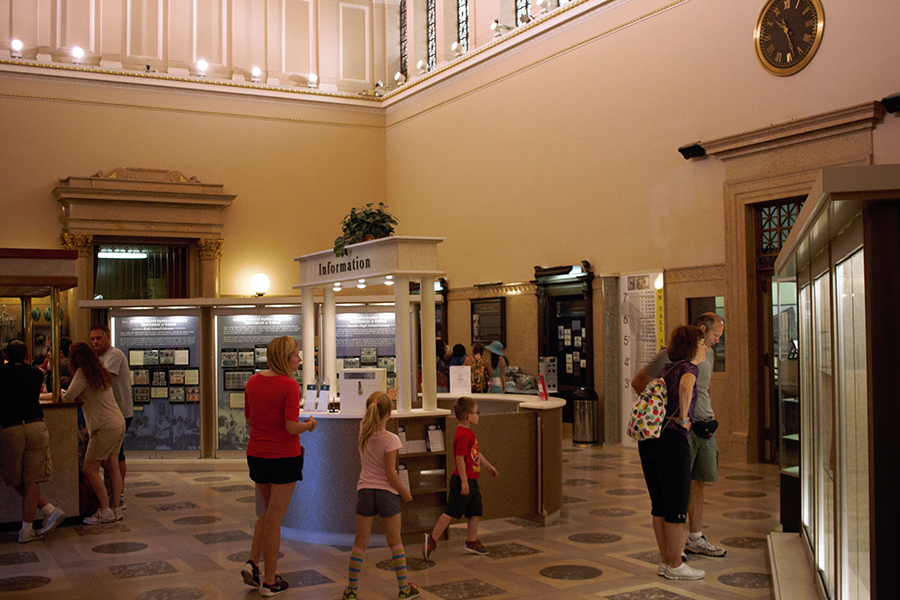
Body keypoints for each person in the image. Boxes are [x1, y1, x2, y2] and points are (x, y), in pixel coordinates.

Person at [631, 312, 726, 558]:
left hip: (704, 425)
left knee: (697, 482)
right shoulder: (672, 357)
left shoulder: (706, 355)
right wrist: (671, 412)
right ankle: (674, 550)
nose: (716, 341)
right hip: (680, 430)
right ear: (702, 329)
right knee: (675, 490)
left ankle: (694, 537)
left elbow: (702, 387)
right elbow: (643, 383)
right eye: (715, 335)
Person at [241, 336, 317, 597]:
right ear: (285, 358)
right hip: (283, 457)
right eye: (296, 354)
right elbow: (290, 426)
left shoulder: (253, 381)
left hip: (257, 455)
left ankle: (253, 562)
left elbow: (250, 419)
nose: (299, 359)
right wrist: (309, 425)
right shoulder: (289, 385)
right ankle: (271, 581)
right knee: (275, 518)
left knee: (267, 512)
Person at [637, 325, 707, 580]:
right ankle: (676, 565)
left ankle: (666, 560)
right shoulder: (689, 368)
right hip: (672, 440)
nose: (706, 347)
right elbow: (686, 388)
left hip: (651, 439)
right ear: (692, 347)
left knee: (659, 503)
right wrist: (684, 417)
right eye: (702, 343)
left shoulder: (667, 368)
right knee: (676, 503)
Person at [341, 392, 419, 600]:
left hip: (365, 491)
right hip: (387, 494)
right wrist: (404, 492)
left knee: (360, 543)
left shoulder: (362, 432)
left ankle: (351, 590)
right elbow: (390, 473)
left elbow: (371, 413)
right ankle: (404, 589)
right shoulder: (391, 439)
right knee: (395, 542)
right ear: (390, 413)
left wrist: (383, 399)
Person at [0, 340, 67, 543]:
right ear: (27, 356)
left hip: (11, 428)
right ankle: (31, 525)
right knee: (32, 479)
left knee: (14, 478)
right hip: (36, 426)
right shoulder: (36, 374)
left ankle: (46, 513)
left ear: (7, 356)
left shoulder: (1, 373)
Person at [423, 396, 499, 560]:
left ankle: (471, 541)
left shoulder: (469, 433)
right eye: (476, 412)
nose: (478, 415)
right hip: (463, 481)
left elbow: (475, 453)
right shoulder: (463, 435)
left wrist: (488, 467)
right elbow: (460, 459)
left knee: (475, 510)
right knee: (451, 511)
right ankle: (432, 539)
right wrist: (464, 482)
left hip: (472, 480)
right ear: (467, 416)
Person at [63, 342, 127, 525]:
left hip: (104, 426)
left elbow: (67, 397)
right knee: (112, 466)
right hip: (117, 422)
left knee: (89, 469)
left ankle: (104, 510)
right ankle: (115, 508)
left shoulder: (82, 373)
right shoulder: (99, 371)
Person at [90, 324, 132, 510]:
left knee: (115, 457)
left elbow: (104, 378)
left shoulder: (114, 355)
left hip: (119, 413)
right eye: (92, 339)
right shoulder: (100, 357)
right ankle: (115, 495)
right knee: (113, 457)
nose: (95, 342)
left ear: (108, 338)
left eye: (98, 338)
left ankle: (118, 495)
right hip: (110, 414)